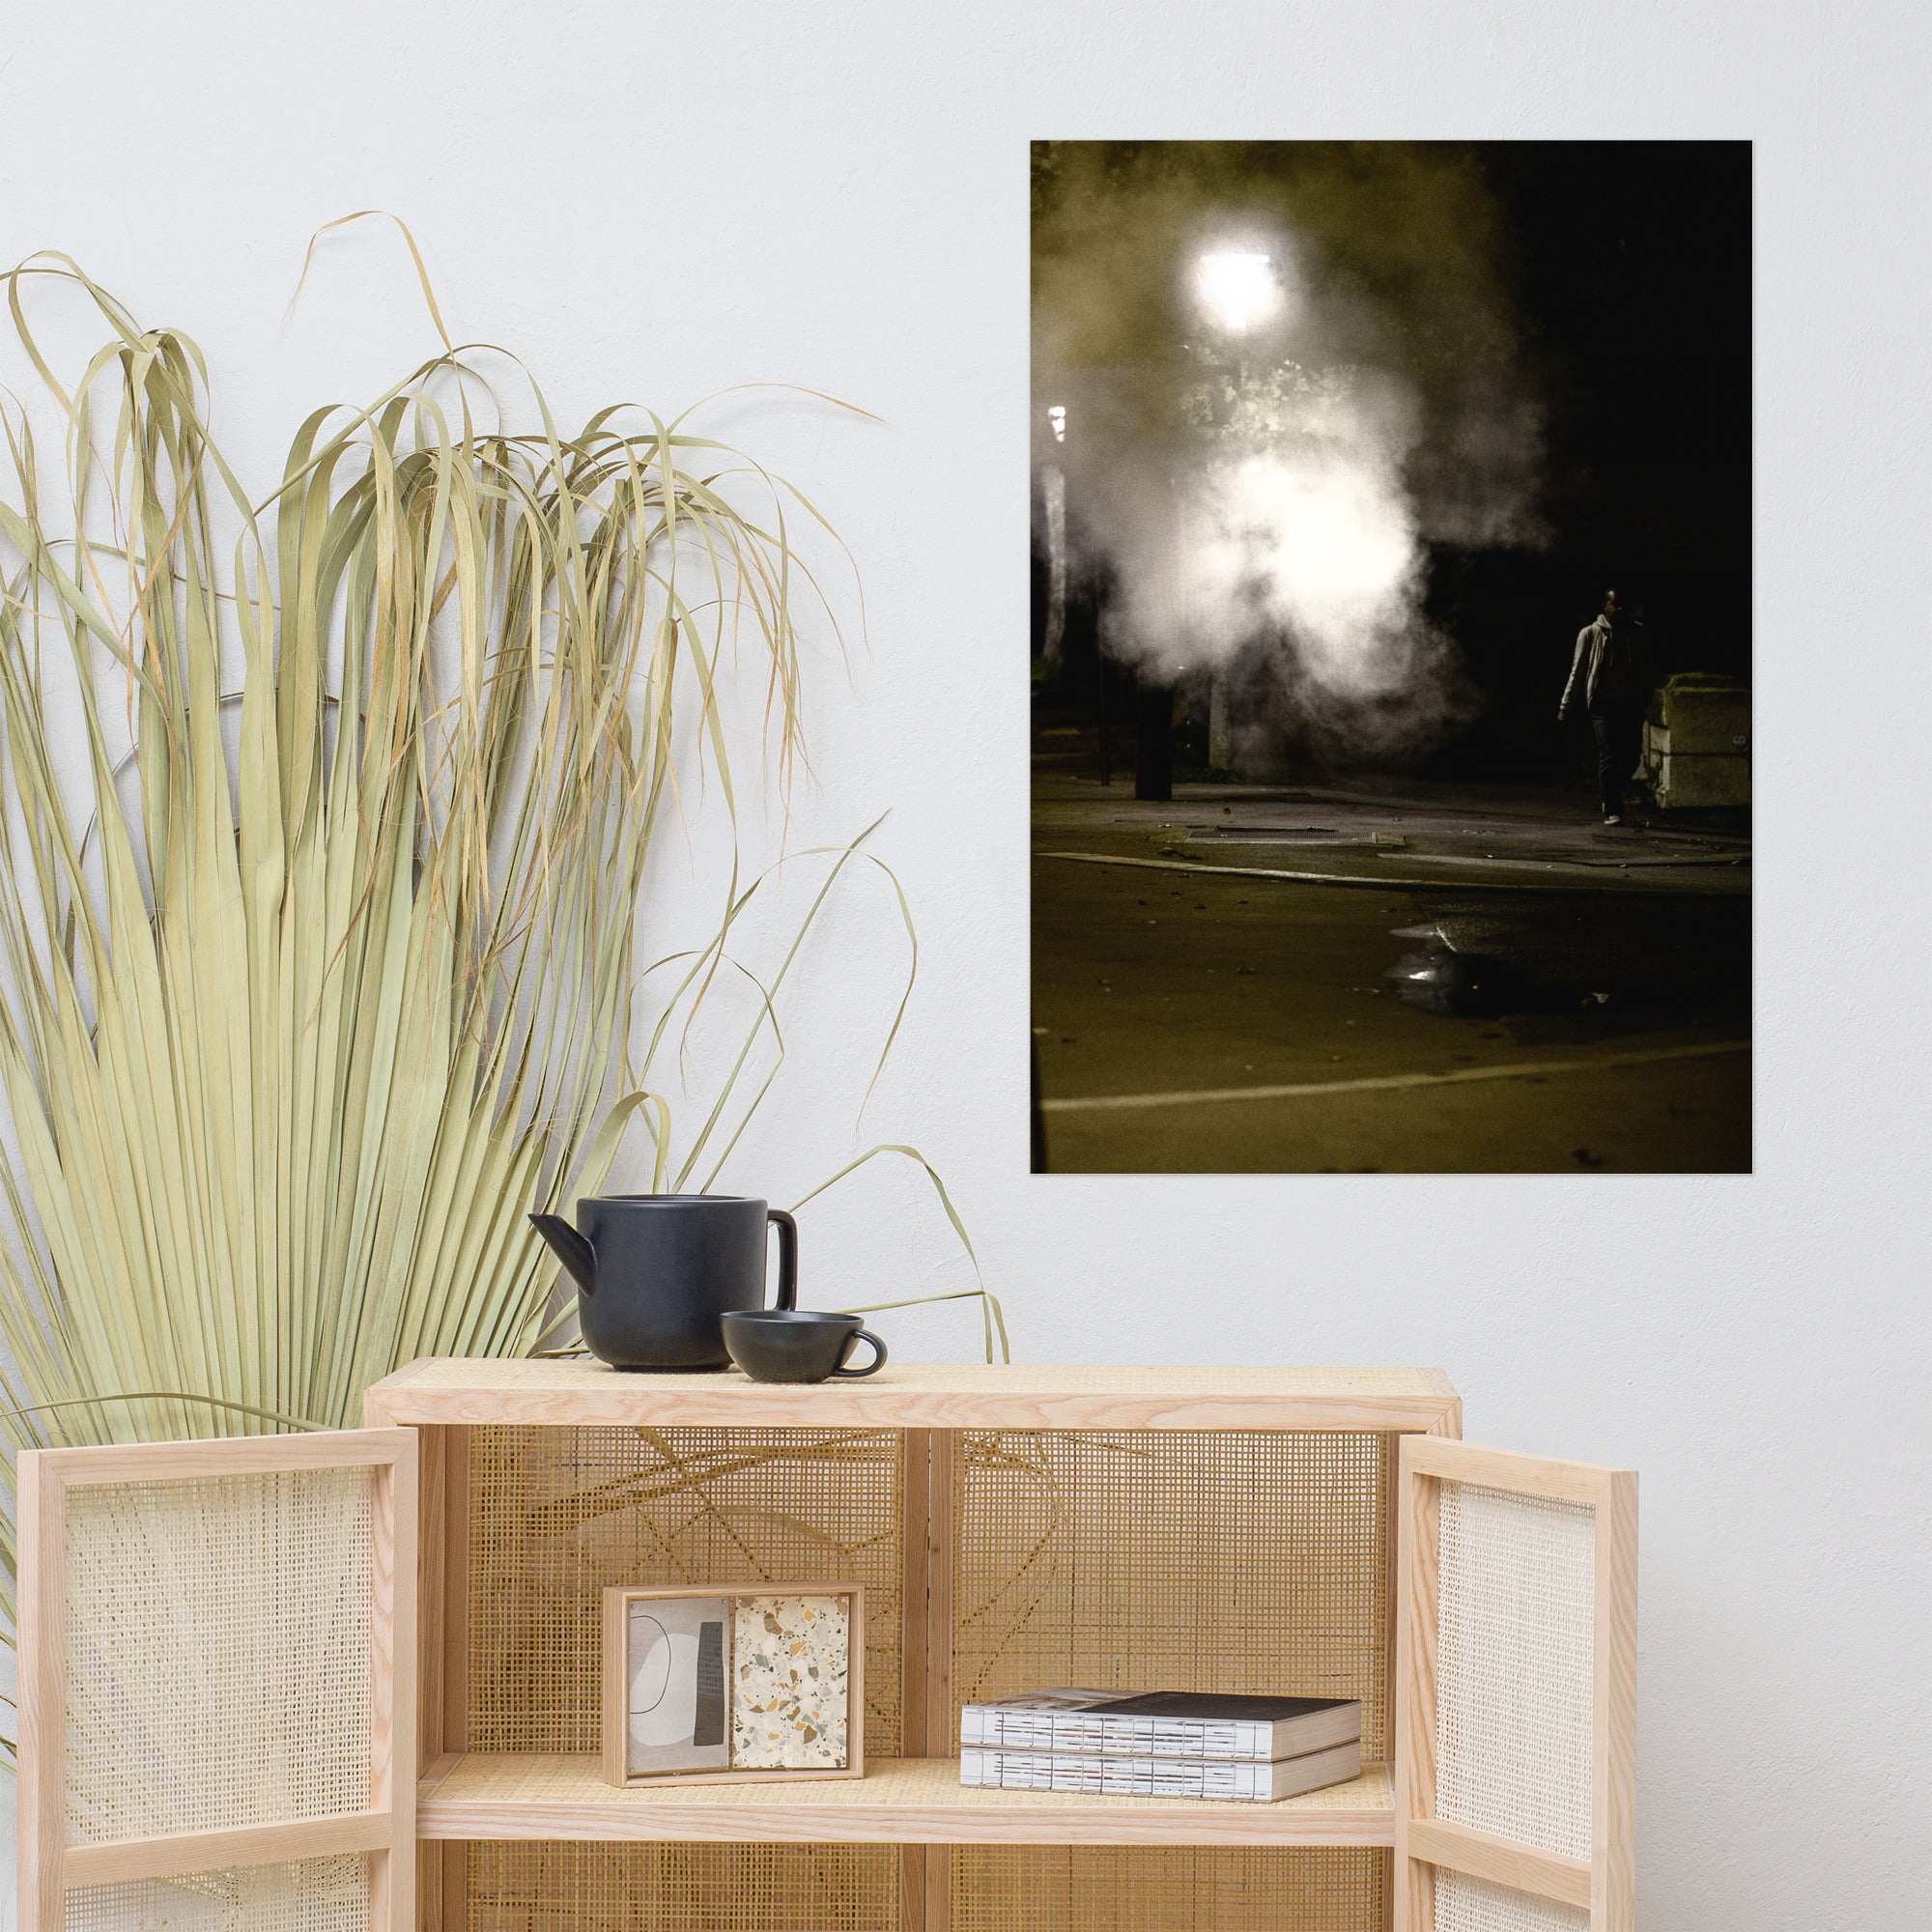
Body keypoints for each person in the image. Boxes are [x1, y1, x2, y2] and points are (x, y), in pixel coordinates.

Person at [1559, 588, 1648, 825]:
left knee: (1632, 756)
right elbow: (1577, 672)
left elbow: (1642, 670)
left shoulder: (1636, 633)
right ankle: (1612, 808)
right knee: (1608, 754)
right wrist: (1565, 705)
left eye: (1622, 605)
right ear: (1605, 607)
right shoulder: (1589, 634)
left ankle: (1612, 793)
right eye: (1613, 604)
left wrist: (1642, 701)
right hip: (1602, 705)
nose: (1618, 609)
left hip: (1628, 705)